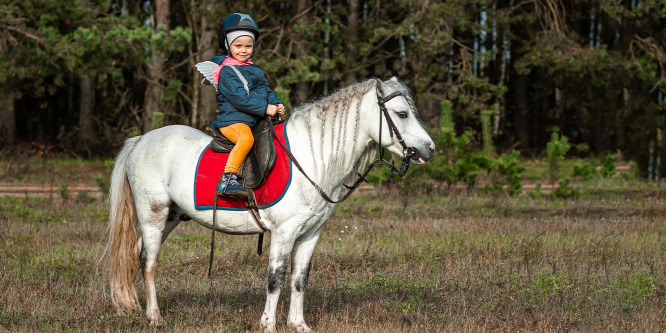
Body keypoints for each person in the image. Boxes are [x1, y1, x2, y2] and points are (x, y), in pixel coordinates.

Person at [211, 13, 285, 200]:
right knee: (245, 139)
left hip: (253, 119)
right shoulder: (227, 71)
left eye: (248, 46)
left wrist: (276, 102)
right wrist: (264, 109)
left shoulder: (254, 69)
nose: (244, 50)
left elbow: (266, 90)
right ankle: (228, 179)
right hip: (233, 121)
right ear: (228, 46)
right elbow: (240, 99)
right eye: (238, 46)